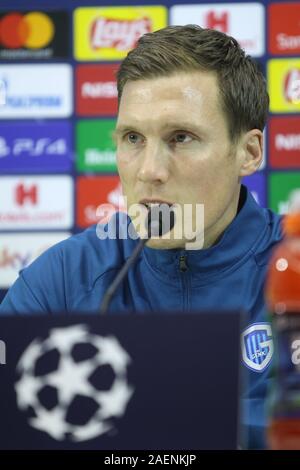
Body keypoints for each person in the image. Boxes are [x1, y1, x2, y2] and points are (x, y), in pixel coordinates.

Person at [0, 25, 282, 449]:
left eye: (180, 137)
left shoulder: (292, 270)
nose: (149, 170)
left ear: (249, 152)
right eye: (133, 138)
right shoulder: (59, 279)